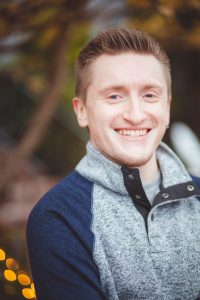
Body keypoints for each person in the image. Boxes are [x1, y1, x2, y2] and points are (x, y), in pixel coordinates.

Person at [26, 27, 200, 300]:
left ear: (167, 107)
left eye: (150, 95)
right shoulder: (58, 218)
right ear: (81, 111)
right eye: (115, 96)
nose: (135, 114)